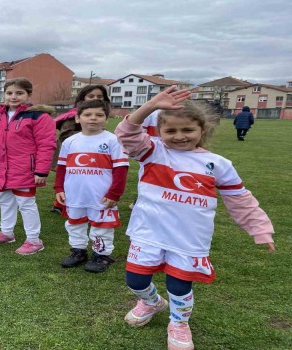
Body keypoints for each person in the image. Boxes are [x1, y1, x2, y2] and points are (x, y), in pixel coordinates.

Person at [115, 86, 275, 350]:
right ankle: (152, 302)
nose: (179, 137)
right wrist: (151, 106)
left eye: (187, 130)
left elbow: (240, 199)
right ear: (160, 132)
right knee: (136, 280)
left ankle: (179, 323)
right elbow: (126, 133)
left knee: (179, 285)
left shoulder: (217, 164)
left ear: (203, 130)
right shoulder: (151, 152)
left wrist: (259, 228)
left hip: (189, 238)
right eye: (171, 131)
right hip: (148, 232)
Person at [0, 78, 56, 255]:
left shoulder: (39, 117)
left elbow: (46, 145)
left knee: (26, 204)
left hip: (24, 169)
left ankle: (34, 240)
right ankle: (6, 233)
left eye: (19, 93)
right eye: (10, 93)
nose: (14, 97)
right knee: (4, 201)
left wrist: (41, 170)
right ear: (4, 95)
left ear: (29, 95)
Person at [54, 99, 129, 272]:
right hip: (75, 194)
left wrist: (114, 194)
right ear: (78, 119)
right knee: (74, 224)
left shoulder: (113, 140)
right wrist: (59, 188)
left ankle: (101, 256)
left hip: (101, 195)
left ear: (106, 119)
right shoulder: (70, 142)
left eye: (99, 115)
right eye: (87, 115)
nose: (93, 118)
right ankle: (78, 252)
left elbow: (121, 169)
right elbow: (62, 167)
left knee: (101, 227)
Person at [50, 85, 110, 215]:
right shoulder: (72, 116)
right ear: (82, 98)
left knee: (90, 179)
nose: (95, 99)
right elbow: (65, 135)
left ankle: (91, 204)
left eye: (100, 96)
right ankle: (61, 204)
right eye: (91, 96)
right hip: (74, 155)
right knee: (70, 179)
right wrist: (86, 138)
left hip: (93, 157)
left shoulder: (108, 133)